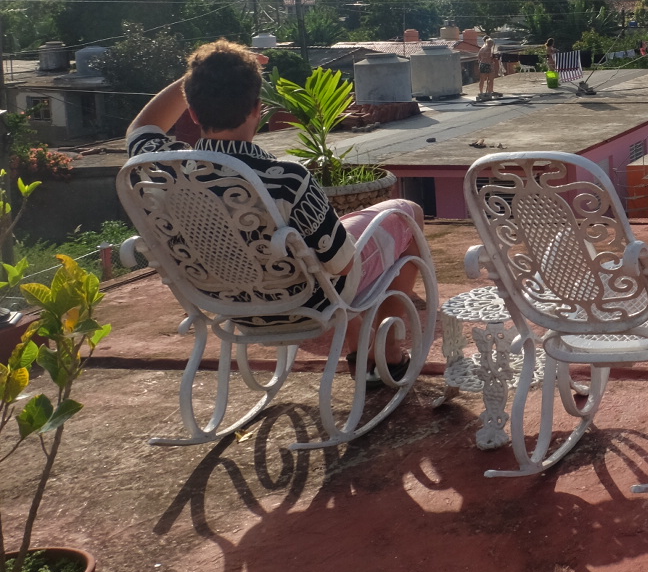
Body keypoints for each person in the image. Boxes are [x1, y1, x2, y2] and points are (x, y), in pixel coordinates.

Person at [126, 40, 430, 371]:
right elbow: (342, 266)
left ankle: (363, 344)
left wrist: (201, 75)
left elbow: (141, 126)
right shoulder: (287, 178)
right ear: (257, 109)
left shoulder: (157, 168)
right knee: (406, 213)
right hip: (307, 303)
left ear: (193, 112)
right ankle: (387, 351)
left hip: (224, 303)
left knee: (313, 246)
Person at [475, 34, 499, 101]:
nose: (492, 45)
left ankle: (481, 92)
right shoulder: (489, 49)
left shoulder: (481, 49)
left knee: (482, 79)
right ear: (489, 43)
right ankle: (489, 91)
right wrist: (494, 58)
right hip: (488, 64)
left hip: (482, 64)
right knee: (490, 79)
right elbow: (491, 58)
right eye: (491, 43)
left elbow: (479, 57)